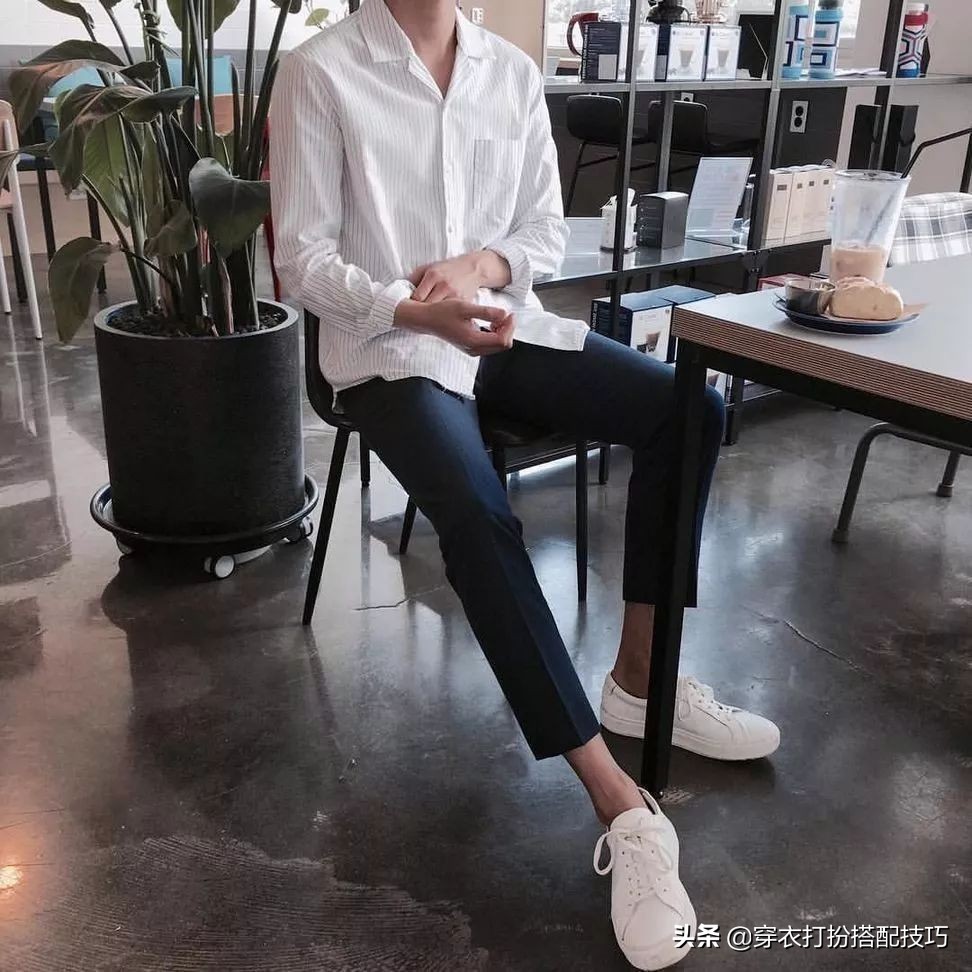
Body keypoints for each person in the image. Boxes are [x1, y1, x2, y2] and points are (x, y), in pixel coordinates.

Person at [271, 2, 780, 967]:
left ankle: (641, 681)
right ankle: (620, 804)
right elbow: (301, 259)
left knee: (690, 411)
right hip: (389, 351)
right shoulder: (321, 71)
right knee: (475, 512)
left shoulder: (508, 70)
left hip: (505, 328)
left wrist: (484, 264)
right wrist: (414, 308)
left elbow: (546, 227)